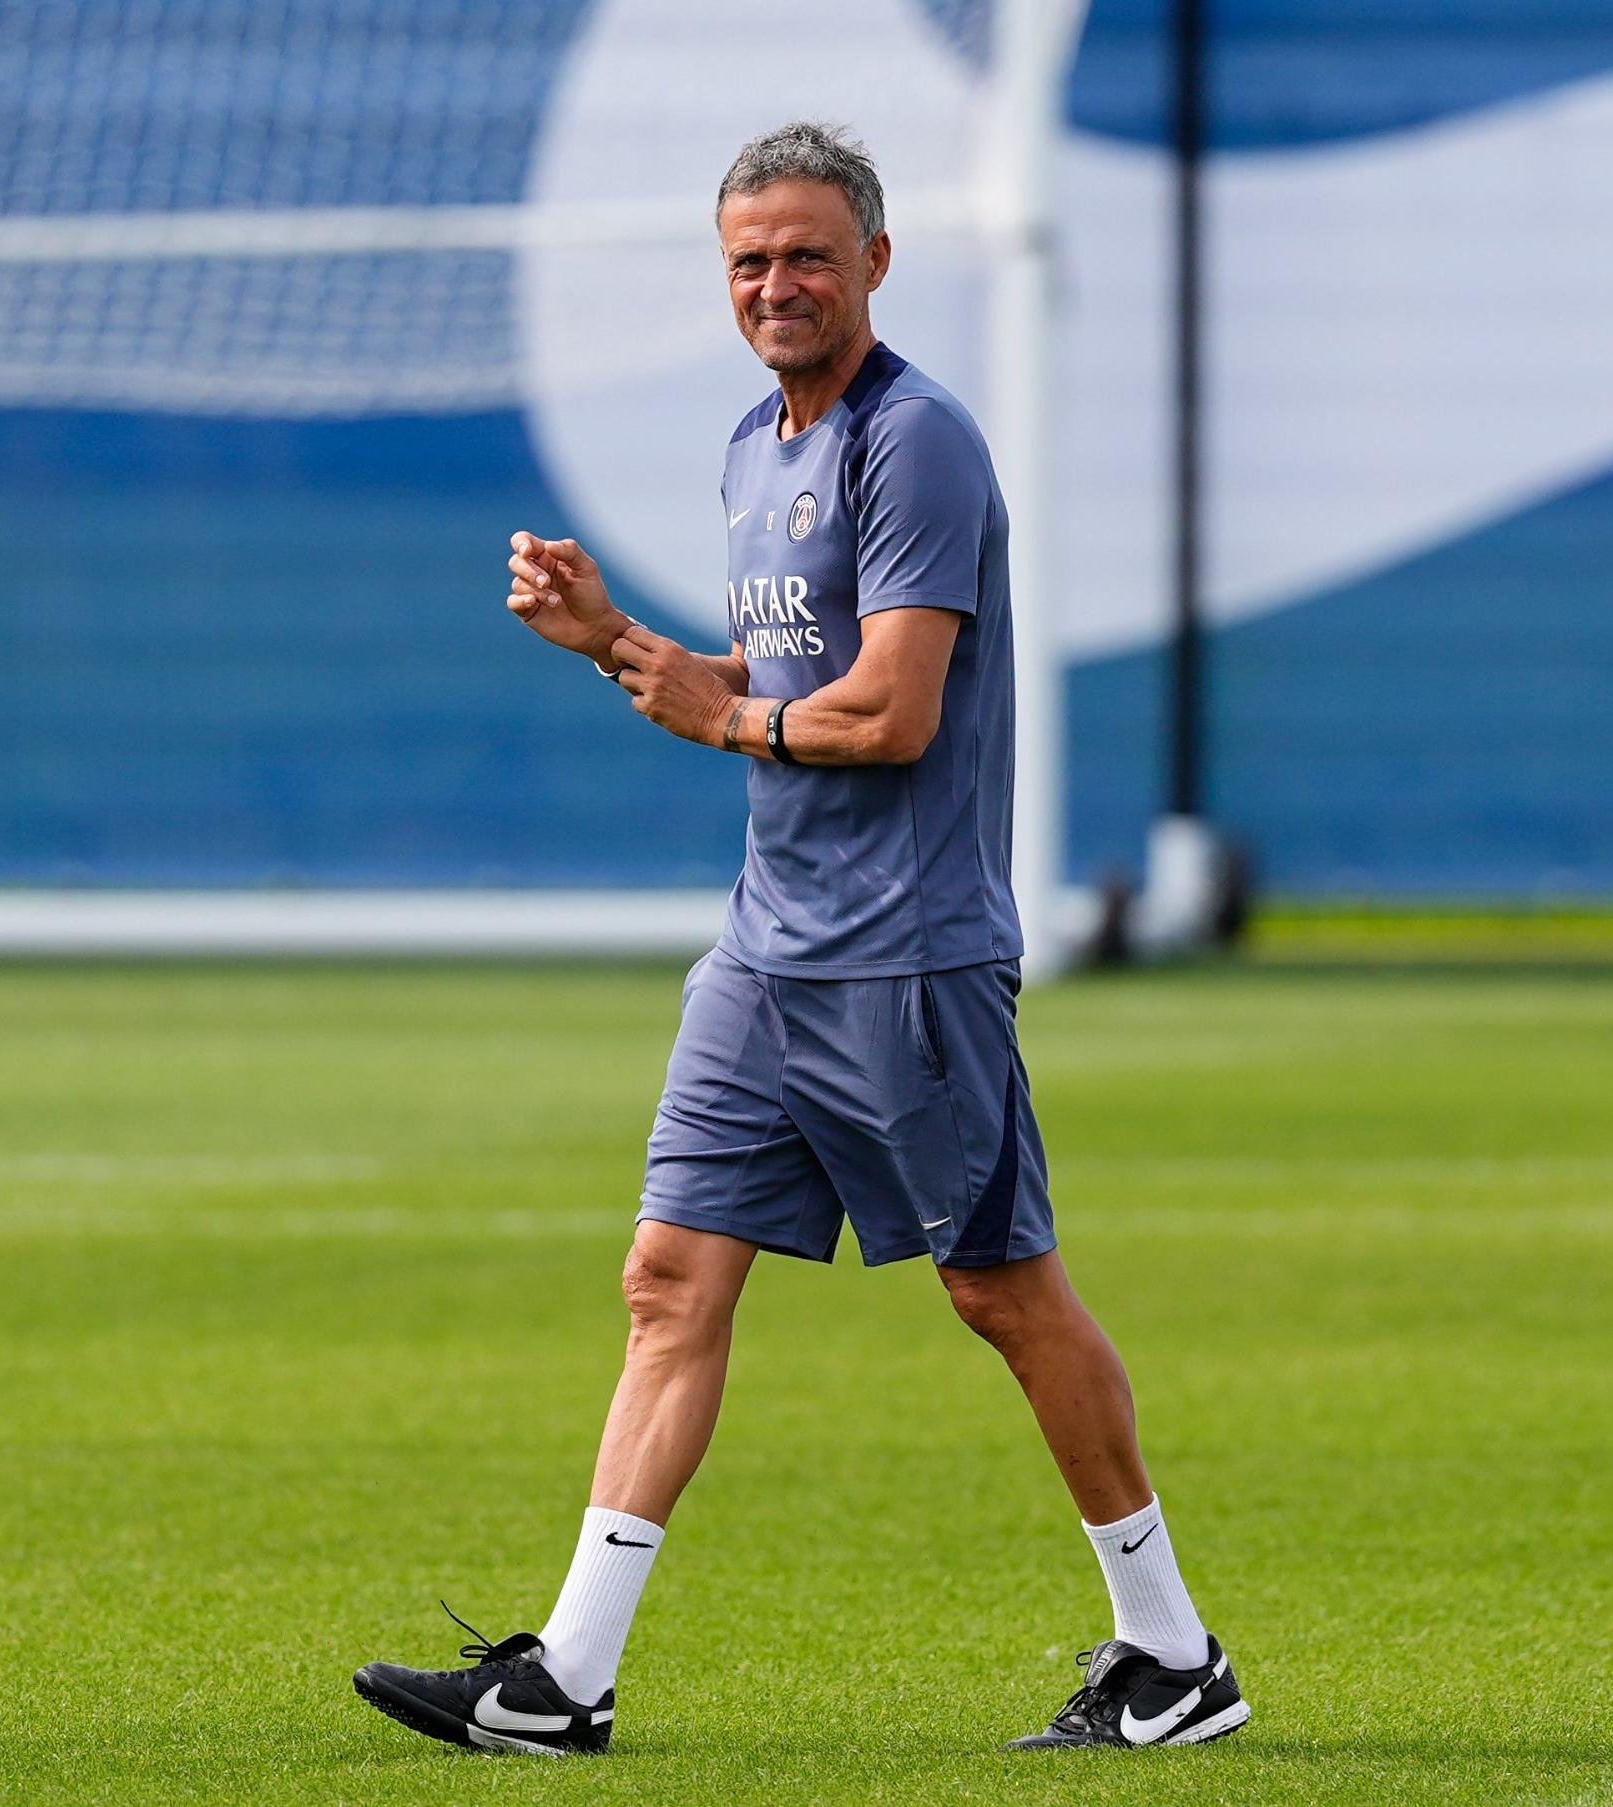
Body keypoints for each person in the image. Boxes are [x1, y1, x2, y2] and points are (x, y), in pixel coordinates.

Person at [346, 121, 1244, 1757]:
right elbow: (757, 695)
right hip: (770, 951)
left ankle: (1172, 1656)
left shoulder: (919, 444)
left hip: (908, 957)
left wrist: (718, 715)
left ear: (877, 263)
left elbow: (891, 717)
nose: (777, 282)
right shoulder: (756, 446)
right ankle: (567, 1680)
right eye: (751, 258)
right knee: (668, 1280)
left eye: (809, 253)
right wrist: (608, 634)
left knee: (1003, 1298)